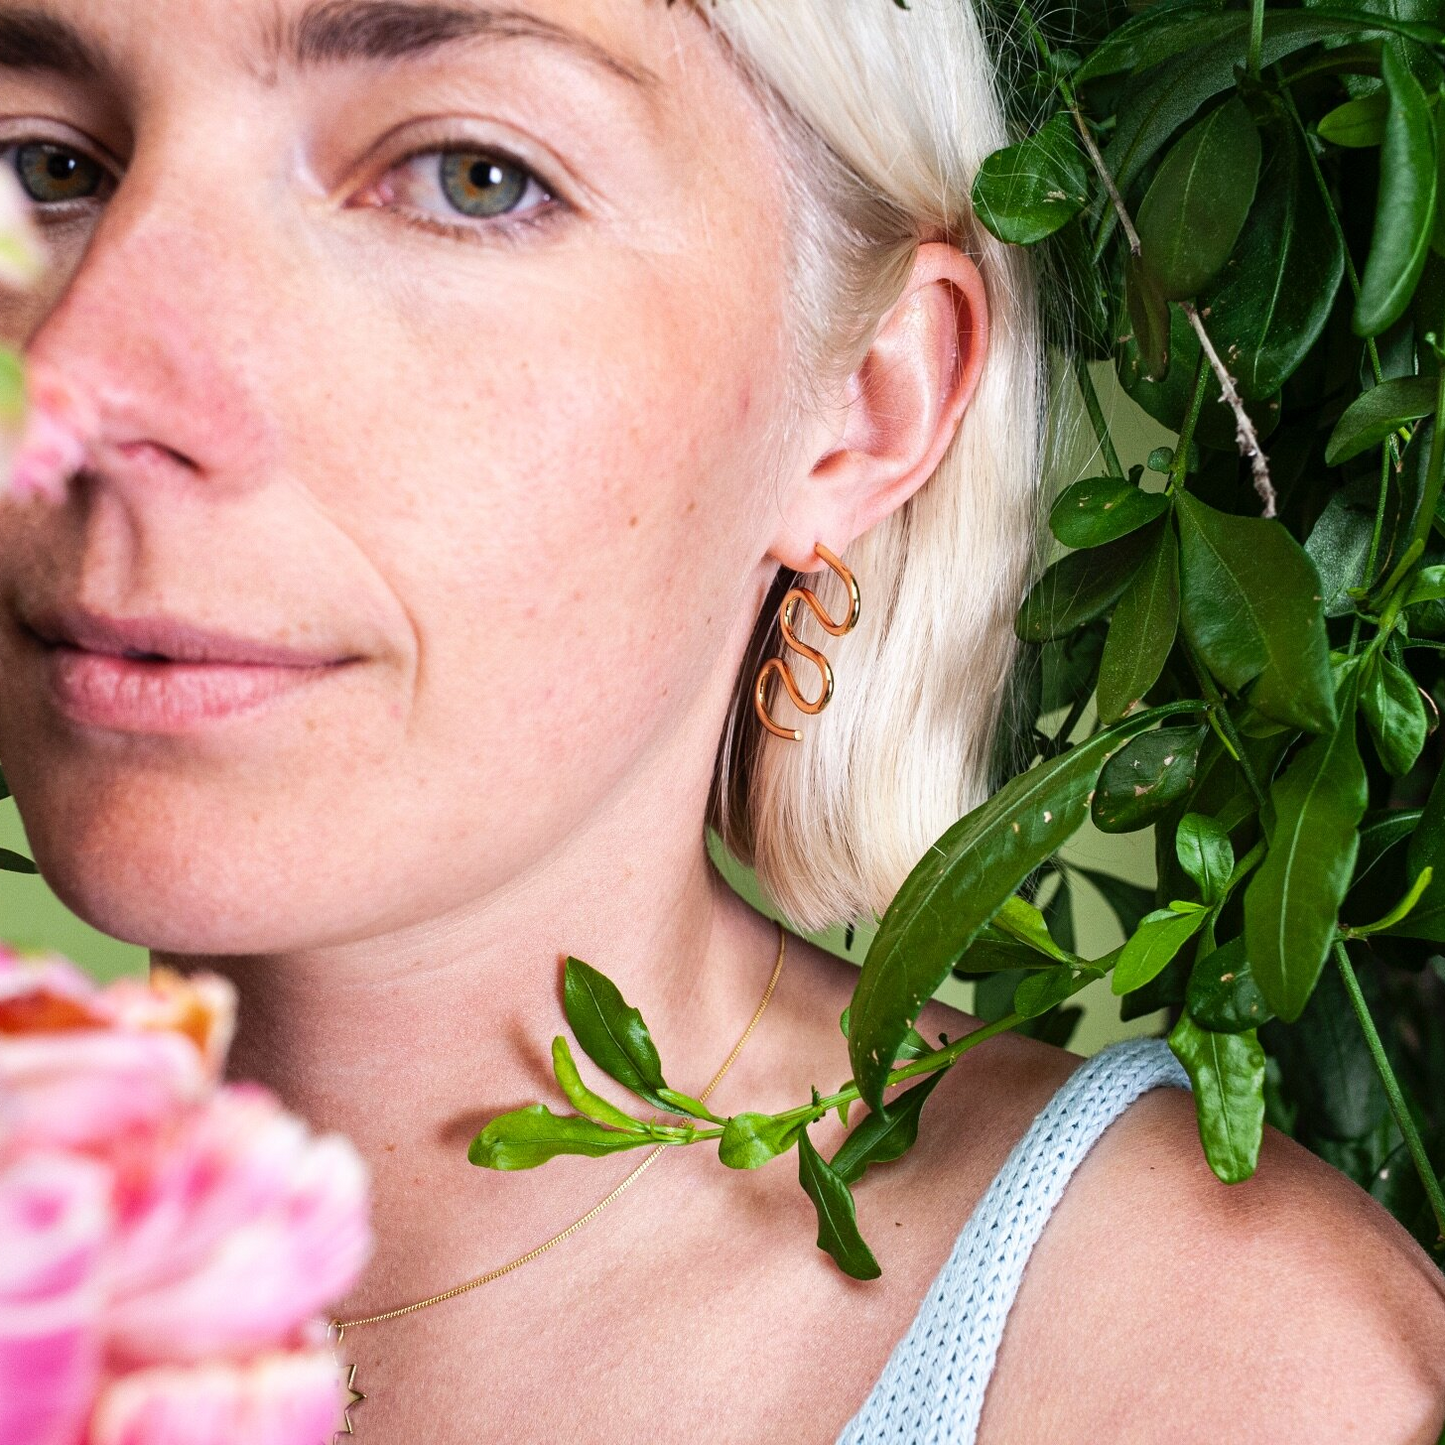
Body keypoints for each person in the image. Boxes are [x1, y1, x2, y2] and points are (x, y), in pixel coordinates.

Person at [0, 1, 1442, 1440]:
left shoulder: (1220, 1375)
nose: (86, 369)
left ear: (872, 399)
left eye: (467, 176)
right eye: (44, 166)